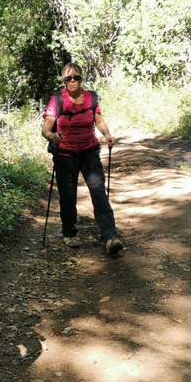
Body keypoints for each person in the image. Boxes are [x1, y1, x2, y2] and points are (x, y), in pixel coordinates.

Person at [41, 63, 123, 255]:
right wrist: (51, 136)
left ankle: (110, 236)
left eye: (76, 77)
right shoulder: (57, 100)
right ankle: (69, 233)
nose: (72, 81)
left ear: (81, 78)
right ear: (63, 80)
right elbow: (47, 127)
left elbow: (99, 120)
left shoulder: (90, 98)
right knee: (68, 196)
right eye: (68, 78)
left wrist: (107, 134)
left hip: (89, 152)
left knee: (98, 193)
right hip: (64, 155)